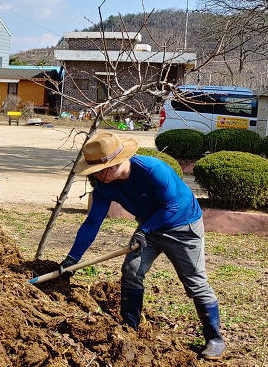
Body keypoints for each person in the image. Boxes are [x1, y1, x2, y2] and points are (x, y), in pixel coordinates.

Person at [59, 132, 225, 361]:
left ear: (114, 164)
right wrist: (73, 258)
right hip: (148, 229)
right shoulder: (104, 186)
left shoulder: (152, 169)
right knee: (131, 271)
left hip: (183, 228)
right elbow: (92, 222)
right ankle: (129, 326)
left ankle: (214, 339)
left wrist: (144, 231)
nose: (95, 176)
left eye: (97, 170)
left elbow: (174, 206)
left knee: (194, 281)